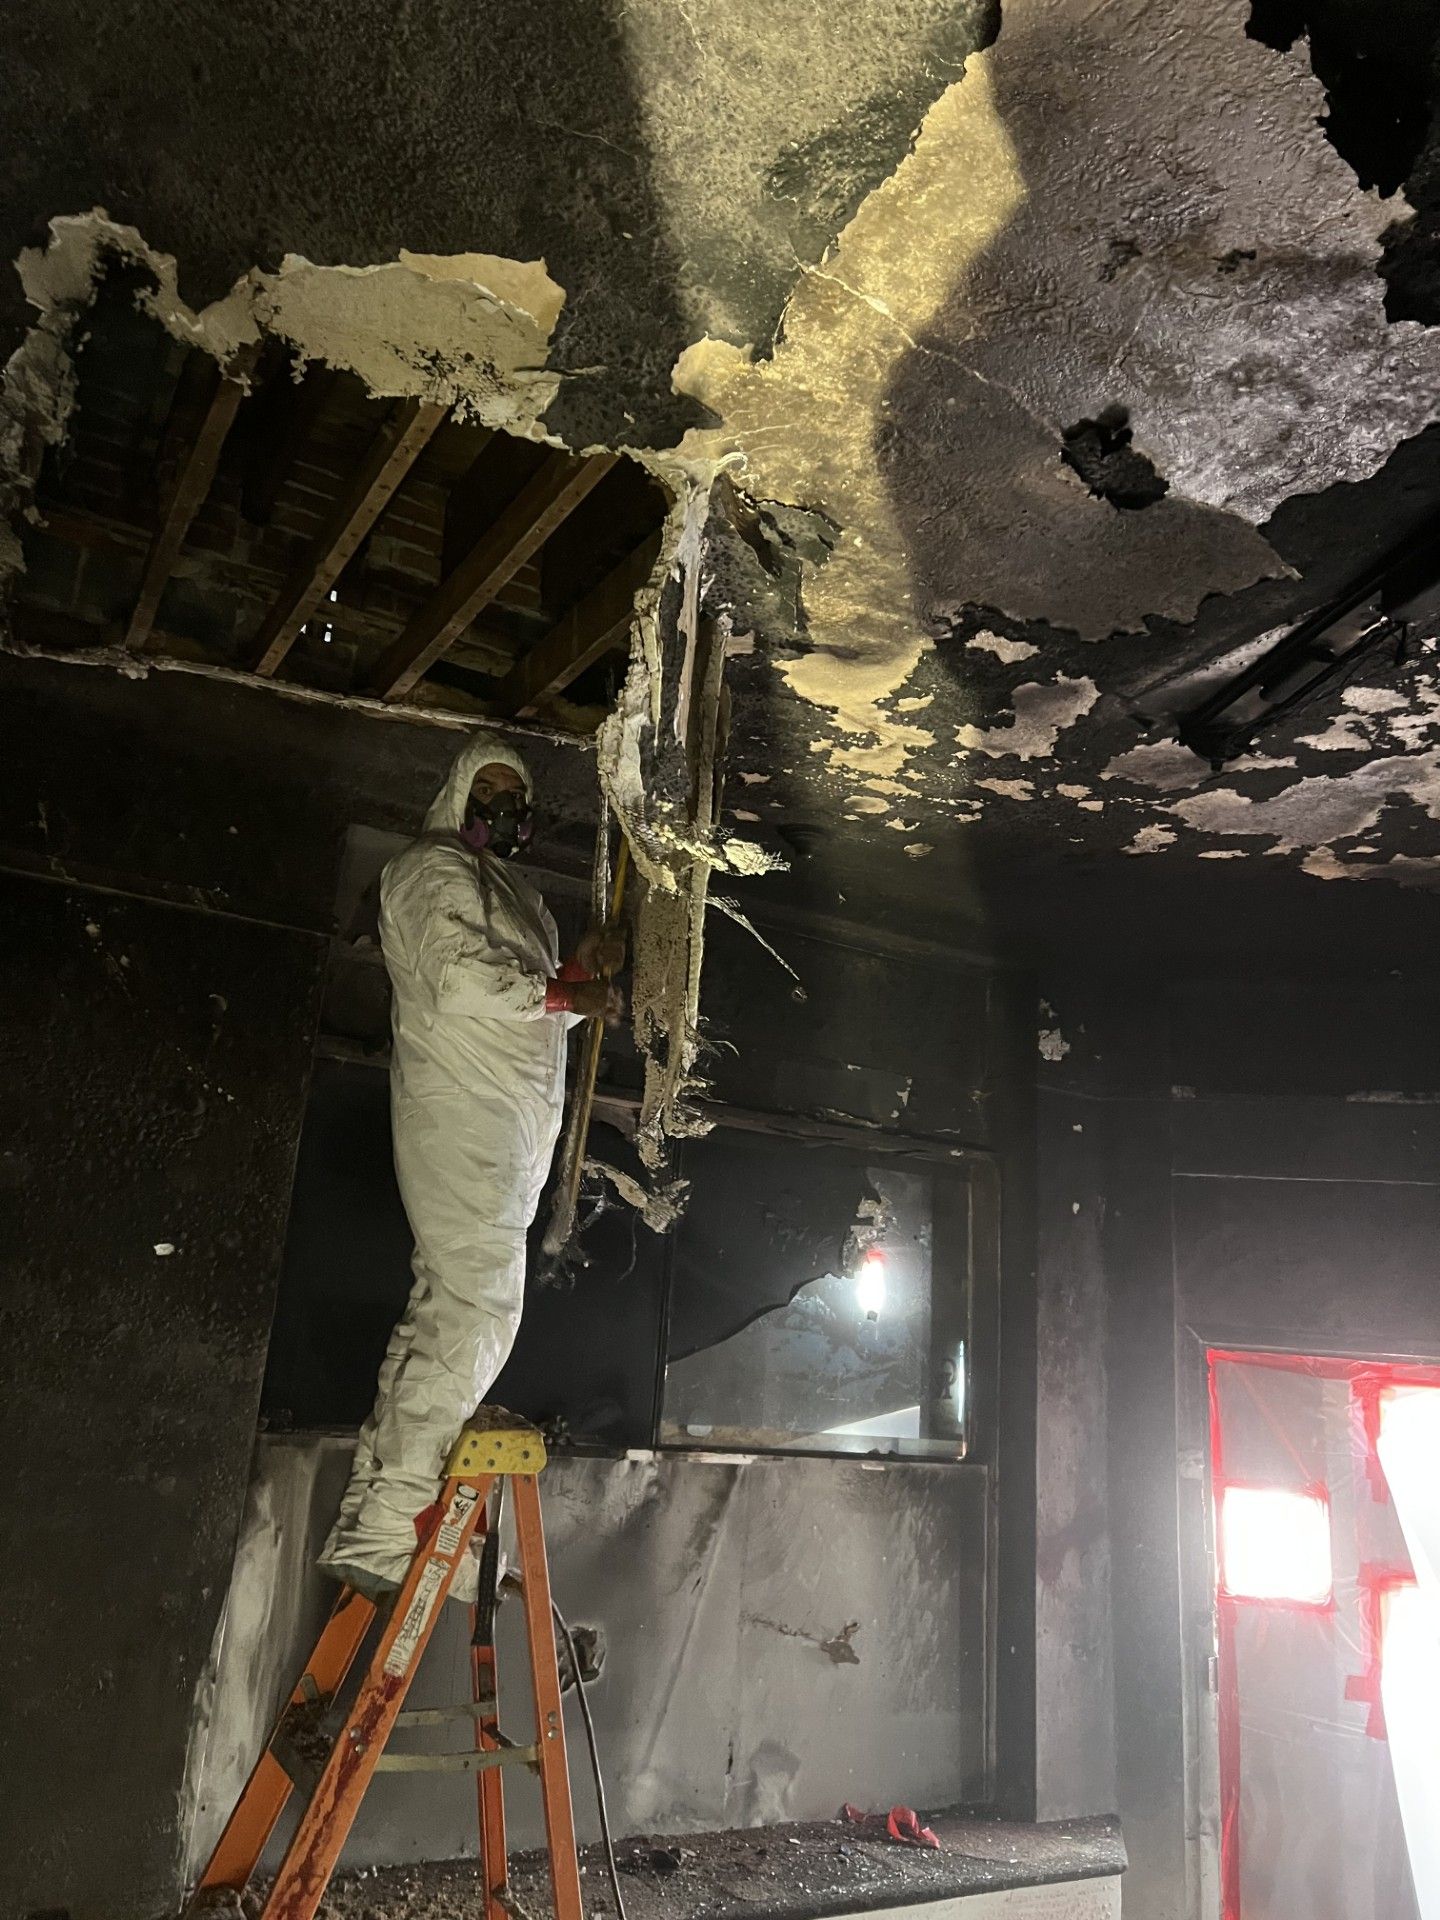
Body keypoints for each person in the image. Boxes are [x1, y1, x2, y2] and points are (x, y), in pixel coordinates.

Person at [319, 730, 623, 1599]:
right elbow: (459, 982)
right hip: (460, 1113)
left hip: (513, 1128)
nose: (504, 811)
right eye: (489, 791)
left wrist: (572, 974)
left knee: (463, 1310)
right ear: (458, 793)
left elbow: (531, 1010)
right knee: (476, 1309)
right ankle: (384, 1532)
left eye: (515, 798)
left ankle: (390, 1520)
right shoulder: (426, 872)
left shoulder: (521, 897)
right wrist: (567, 991)